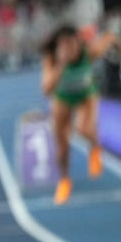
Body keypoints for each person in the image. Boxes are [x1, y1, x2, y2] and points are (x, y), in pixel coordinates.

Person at [40, 23, 120, 204]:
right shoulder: (52, 58)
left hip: (86, 94)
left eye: (72, 44)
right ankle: (64, 181)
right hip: (63, 97)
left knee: (84, 129)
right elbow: (46, 89)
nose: (69, 49)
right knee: (61, 143)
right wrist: (61, 65)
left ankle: (95, 147)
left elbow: (110, 37)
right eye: (64, 46)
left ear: (78, 42)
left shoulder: (89, 52)